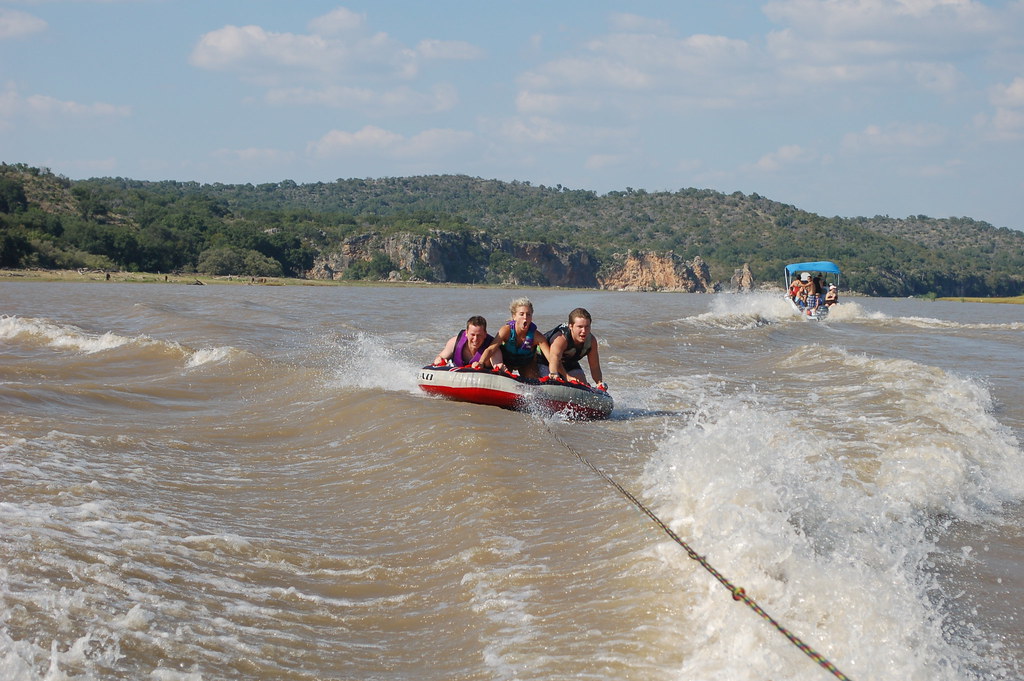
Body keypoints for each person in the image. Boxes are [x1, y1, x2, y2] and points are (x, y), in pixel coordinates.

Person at [475, 297, 551, 379]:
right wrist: (481, 362)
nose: (525, 317)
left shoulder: (537, 337)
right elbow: (491, 349)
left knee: (533, 380)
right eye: (521, 314)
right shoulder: (506, 331)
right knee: (503, 377)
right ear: (514, 316)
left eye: (528, 314)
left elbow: (551, 358)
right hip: (507, 362)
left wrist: (556, 373)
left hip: (526, 364)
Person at [538, 307, 606, 390]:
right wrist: (566, 376)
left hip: (568, 362)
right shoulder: (560, 339)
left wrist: (599, 383)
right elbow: (554, 361)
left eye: (587, 326)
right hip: (545, 361)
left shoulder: (591, 341)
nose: (584, 331)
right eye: (580, 327)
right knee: (553, 383)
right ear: (571, 326)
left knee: (582, 383)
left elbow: (594, 367)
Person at [433, 315, 500, 368]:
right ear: (466, 333)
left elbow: (498, 365)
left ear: (485, 334)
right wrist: (438, 359)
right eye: (472, 335)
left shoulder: (493, 349)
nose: (475, 339)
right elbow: (440, 357)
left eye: (479, 335)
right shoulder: (454, 343)